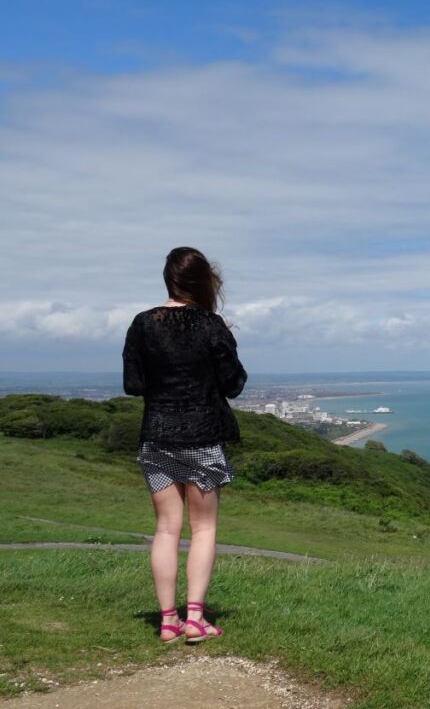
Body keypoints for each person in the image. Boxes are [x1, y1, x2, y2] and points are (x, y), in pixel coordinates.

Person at [121, 246, 247, 644]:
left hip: (157, 436)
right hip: (202, 437)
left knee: (165, 530)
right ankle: (195, 618)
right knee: (204, 527)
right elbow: (234, 384)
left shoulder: (142, 324)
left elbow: (133, 385)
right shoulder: (211, 326)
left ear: (169, 280)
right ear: (202, 282)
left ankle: (167, 621)